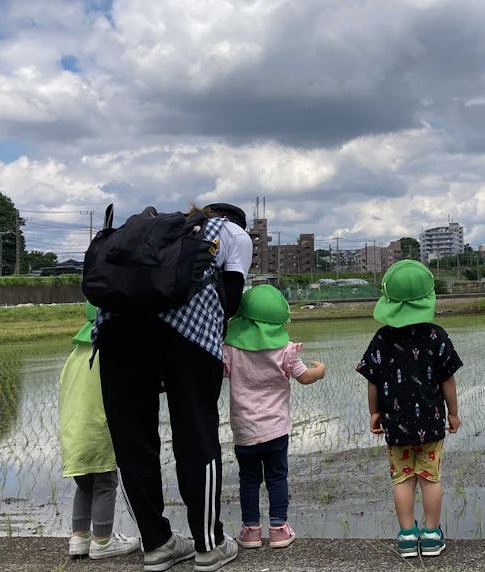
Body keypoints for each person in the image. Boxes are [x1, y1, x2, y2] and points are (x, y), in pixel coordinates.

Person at [94, 202, 252, 572]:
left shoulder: (154, 232)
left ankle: (157, 545)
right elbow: (231, 299)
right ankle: (209, 545)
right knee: (195, 433)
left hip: (115, 330)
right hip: (188, 332)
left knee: (132, 441)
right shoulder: (233, 233)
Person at [356, 260, 462, 558]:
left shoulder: (382, 338)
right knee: (430, 478)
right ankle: (430, 534)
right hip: (431, 424)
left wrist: (374, 412)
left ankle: (406, 536)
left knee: (403, 479)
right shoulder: (436, 336)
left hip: (396, 424)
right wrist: (453, 413)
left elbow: (373, 382)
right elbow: (447, 380)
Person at [221, 284, 326, 549]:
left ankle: (251, 531)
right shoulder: (285, 351)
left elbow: (216, 370)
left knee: (249, 480)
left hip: (244, 430)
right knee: (277, 478)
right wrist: (320, 370)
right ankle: (279, 529)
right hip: (276, 430)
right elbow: (305, 377)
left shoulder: (231, 349)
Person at [60, 302, 140, 560]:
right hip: (99, 431)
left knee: (84, 485)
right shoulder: (110, 352)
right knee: (105, 483)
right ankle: (103, 542)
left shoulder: (74, 355)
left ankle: (78, 538)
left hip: (73, 433)